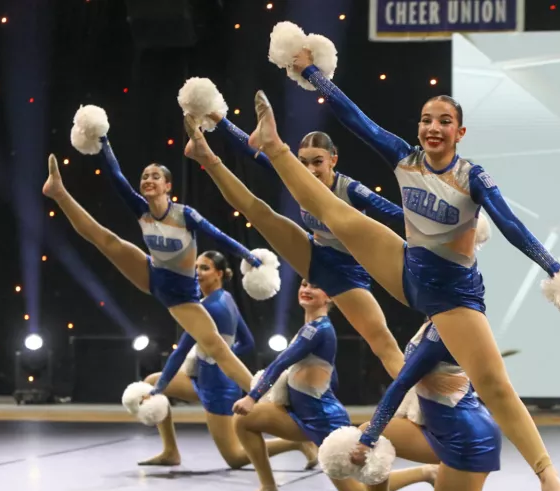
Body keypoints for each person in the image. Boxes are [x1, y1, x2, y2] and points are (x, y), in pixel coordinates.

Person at [229, 26, 560, 491]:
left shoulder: (472, 176)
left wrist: (556, 268)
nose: (433, 127)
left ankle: (547, 474)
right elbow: (354, 117)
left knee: (493, 384)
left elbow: (510, 225)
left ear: (459, 132)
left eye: (444, 121)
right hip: (407, 270)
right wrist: (309, 70)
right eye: (427, 119)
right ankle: (274, 148)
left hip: (453, 295)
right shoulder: (404, 157)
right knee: (341, 216)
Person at [48, 105, 281, 401]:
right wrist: (103, 140)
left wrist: (249, 256)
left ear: (167, 186)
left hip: (181, 297)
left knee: (218, 348)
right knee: (105, 240)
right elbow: (117, 177)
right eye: (145, 176)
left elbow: (218, 236)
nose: (147, 180)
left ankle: (258, 395)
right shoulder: (141, 209)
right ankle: (58, 192)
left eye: (155, 176)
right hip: (151, 275)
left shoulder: (186, 215)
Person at [174, 87, 407, 380]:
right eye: (303, 162)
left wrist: (434, 227)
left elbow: (391, 213)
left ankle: (421, 403)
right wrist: (217, 118)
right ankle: (205, 156)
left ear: (333, 159)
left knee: (381, 342)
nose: (309, 170)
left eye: (317, 162)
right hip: (315, 253)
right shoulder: (297, 178)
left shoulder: (349, 189)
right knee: (258, 212)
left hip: (348, 272)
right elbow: (255, 150)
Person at [320, 320, 560, 491]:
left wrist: (368, 439)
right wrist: (373, 433)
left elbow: (401, 384)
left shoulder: (442, 332)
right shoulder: (434, 323)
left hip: (468, 441)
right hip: (439, 431)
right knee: (372, 432)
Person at [230, 279, 436, 491]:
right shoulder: (309, 328)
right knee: (245, 421)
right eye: (304, 284)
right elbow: (332, 377)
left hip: (324, 422)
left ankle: (426, 473)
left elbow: (280, 363)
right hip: (299, 415)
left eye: (315, 286)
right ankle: (269, 488)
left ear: (329, 297)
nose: (307, 290)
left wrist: (252, 396)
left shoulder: (318, 330)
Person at [138, 250, 316, 469]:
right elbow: (247, 342)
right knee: (150, 382)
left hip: (217, 388)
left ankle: (296, 443)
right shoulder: (226, 299)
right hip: (203, 378)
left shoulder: (208, 307)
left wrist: (217, 363)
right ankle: (170, 451)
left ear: (219, 274)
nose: (198, 273)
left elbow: (180, 351)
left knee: (235, 457)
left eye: (205, 268)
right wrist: (221, 359)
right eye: (196, 268)